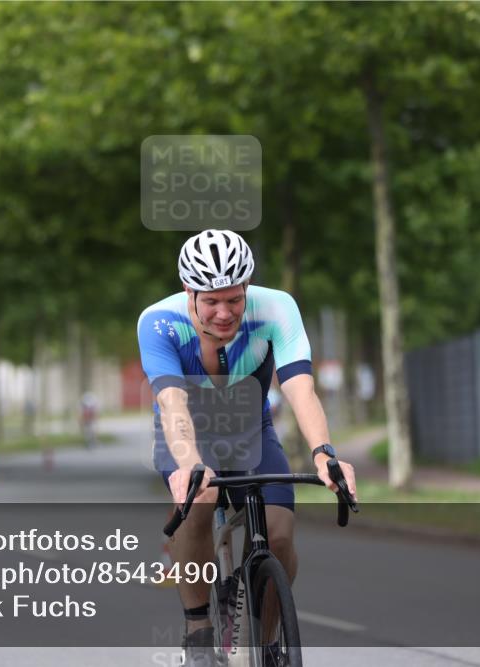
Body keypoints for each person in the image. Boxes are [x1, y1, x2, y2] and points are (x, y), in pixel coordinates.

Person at [137, 229, 357, 666]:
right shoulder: (158, 322)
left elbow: (300, 390)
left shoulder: (277, 308)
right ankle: (199, 632)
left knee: (278, 535)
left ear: (247, 289)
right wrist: (189, 463)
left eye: (234, 300)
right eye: (212, 301)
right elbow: (171, 402)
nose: (224, 312)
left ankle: (267, 638)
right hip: (188, 433)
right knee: (201, 496)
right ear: (189, 291)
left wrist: (323, 453)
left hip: (250, 431)